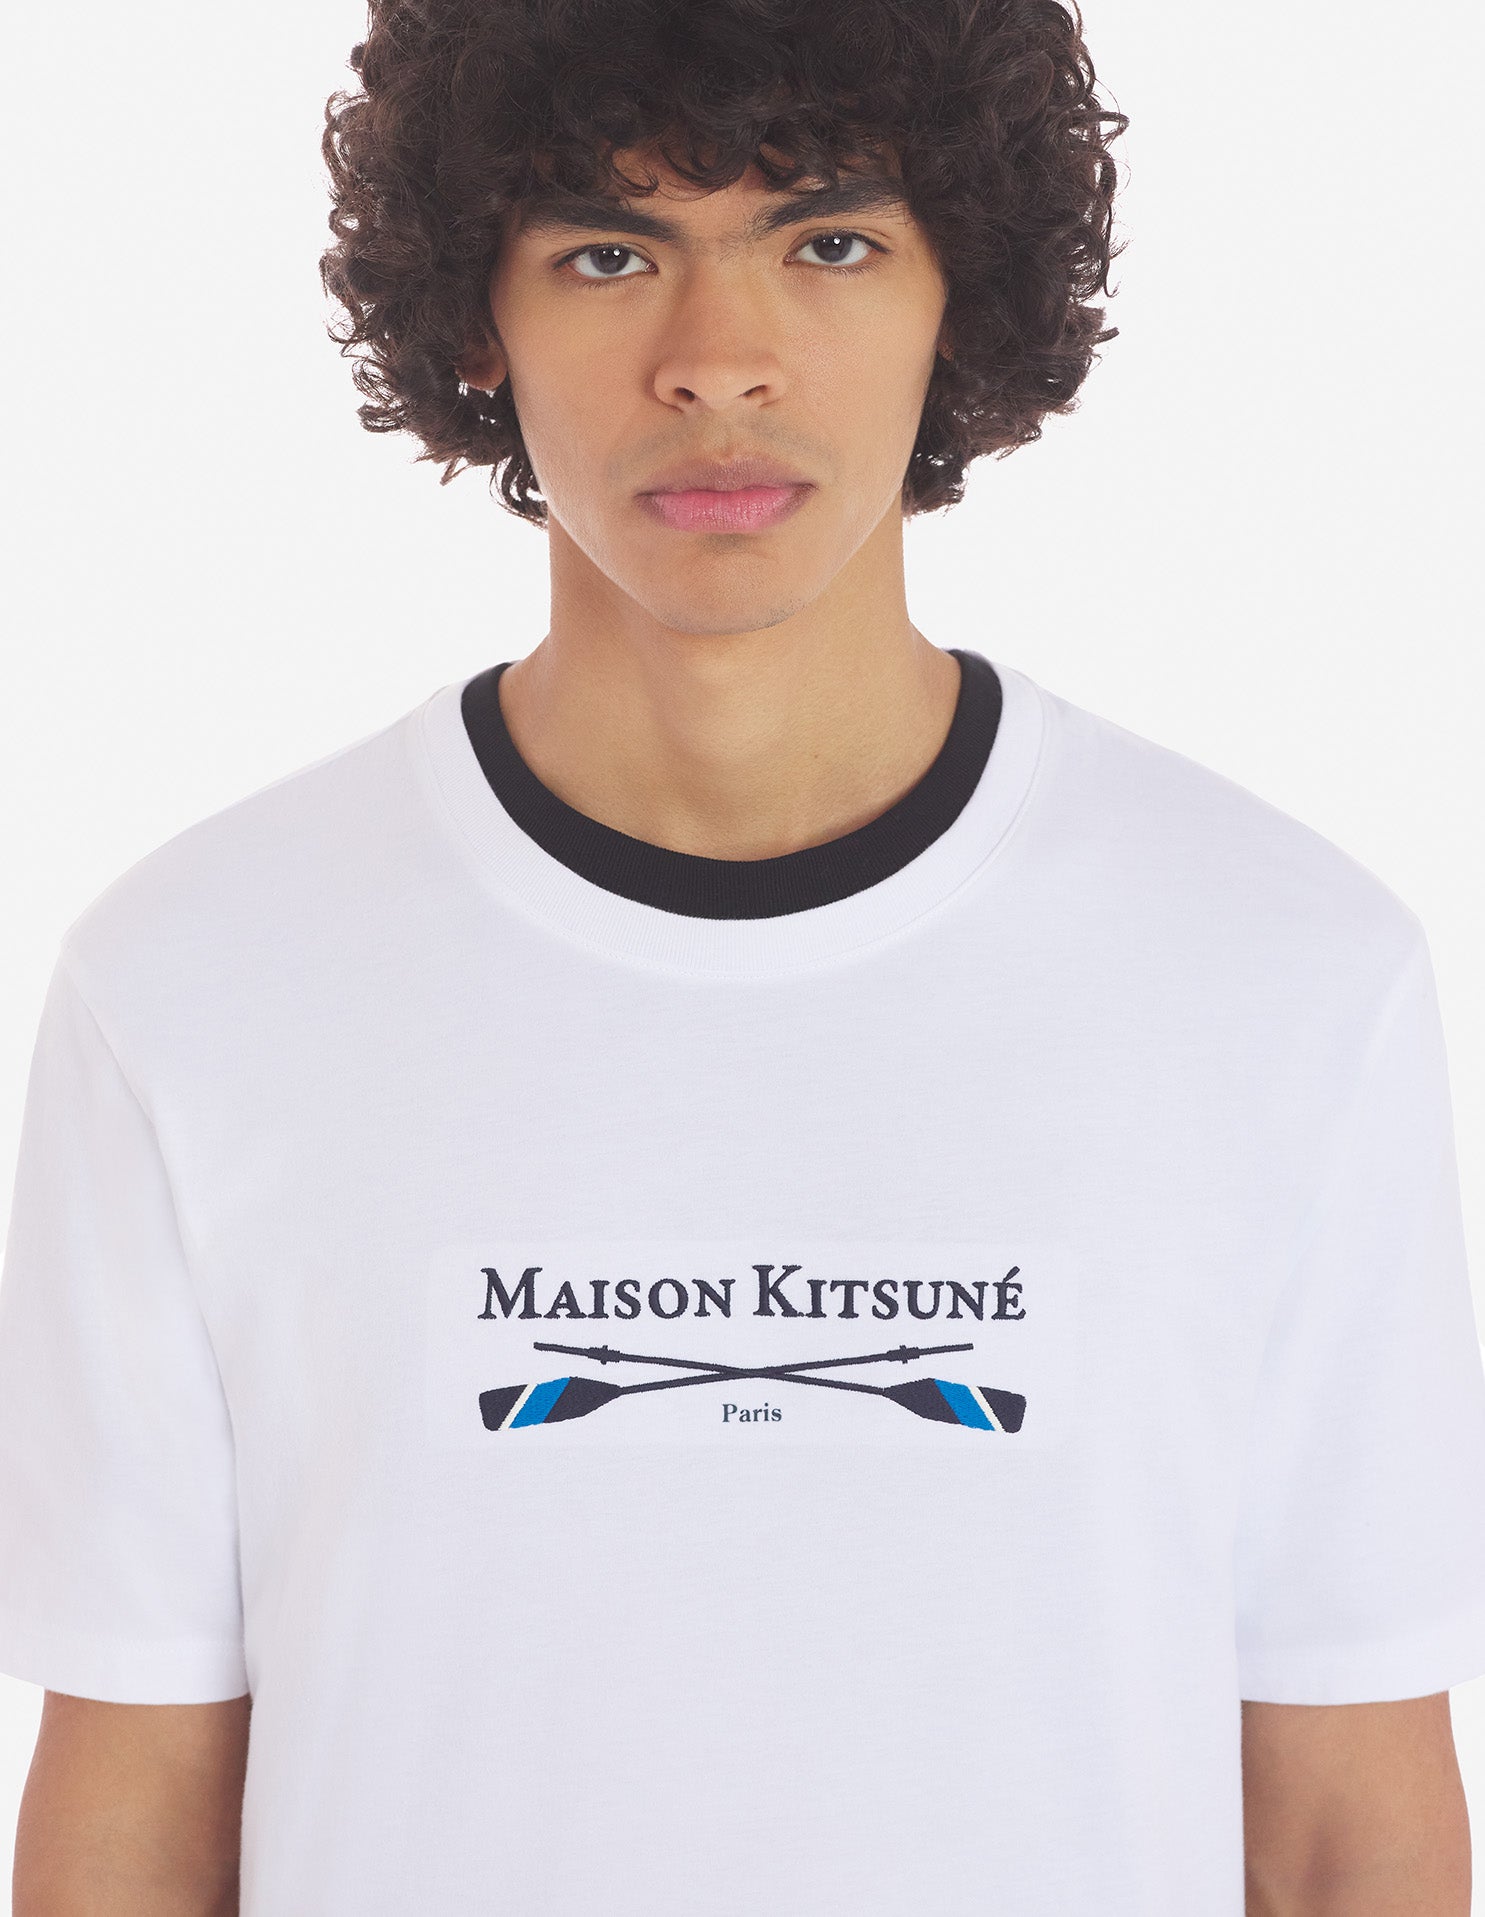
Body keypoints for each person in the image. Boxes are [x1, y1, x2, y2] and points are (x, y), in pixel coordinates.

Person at [2, 0, 1484, 1910]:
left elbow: (1349, 1812)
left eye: (829, 240)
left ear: (961, 297)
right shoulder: (193, 985)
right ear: (475, 314)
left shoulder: (1285, 975)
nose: (717, 358)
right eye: (607, 254)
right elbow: (132, 1800)